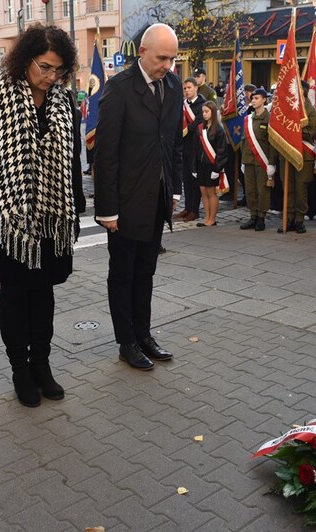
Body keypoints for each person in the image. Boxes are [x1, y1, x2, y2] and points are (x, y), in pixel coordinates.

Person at [0, 23, 85, 407]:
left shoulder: (64, 103)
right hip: (10, 220)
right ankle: (20, 368)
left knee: (44, 292)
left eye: (59, 70)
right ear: (26, 60)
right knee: (15, 293)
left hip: (51, 217)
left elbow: (71, 161)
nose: (52, 77)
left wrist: (76, 206)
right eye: (45, 67)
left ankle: (42, 365)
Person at [94, 23, 183, 371]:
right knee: (123, 274)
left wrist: (174, 189)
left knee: (146, 271)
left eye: (173, 59)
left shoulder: (172, 86)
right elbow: (106, 154)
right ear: (142, 52)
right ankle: (126, 342)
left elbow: (174, 143)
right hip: (126, 202)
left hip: (158, 199)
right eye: (162, 57)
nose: (168, 65)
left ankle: (144, 335)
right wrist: (107, 209)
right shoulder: (119, 89)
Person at [279, 80, 316, 234]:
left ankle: (299, 219)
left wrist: (293, 131)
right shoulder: (286, 107)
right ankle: (288, 218)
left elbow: (310, 132)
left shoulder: (310, 110)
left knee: (300, 189)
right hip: (287, 155)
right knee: (287, 188)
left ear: (305, 91)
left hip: (303, 154)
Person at [239, 88, 276, 231]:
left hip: (263, 161)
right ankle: (253, 216)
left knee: (263, 190)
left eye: (257, 98)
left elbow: (272, 143)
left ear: (264, 100)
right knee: (250, 191)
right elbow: (244, 141)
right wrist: (243, 160)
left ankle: (261, 218)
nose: (253, 101)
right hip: (249, 160)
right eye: (252, 98)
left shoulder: (270, 118)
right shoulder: (248, 119)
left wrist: (271, 163)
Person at [175, 77, 204, 223]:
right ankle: (187, 208)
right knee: (185, 180)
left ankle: (194, 210)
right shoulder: (182, 105)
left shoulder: (202, 105)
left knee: (194, 181)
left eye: (189, 88)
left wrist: (182, 131)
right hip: (184, 147)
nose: (187, 90)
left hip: (196, 148)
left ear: (196, 88)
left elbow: (197, 124)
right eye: (185, 88)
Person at [196, 100, 227, 227]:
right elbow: (196, 148)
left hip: (212, 165)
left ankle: (212, 219)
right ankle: (207, 217)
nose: (204, 114)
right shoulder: (201, 128)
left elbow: (222, 151)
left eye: (207, 112)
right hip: (201, 164)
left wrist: (217, 169)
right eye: (203, 112)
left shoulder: (218, 130)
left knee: (211, 192)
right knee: (203, 191)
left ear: (213, 112)